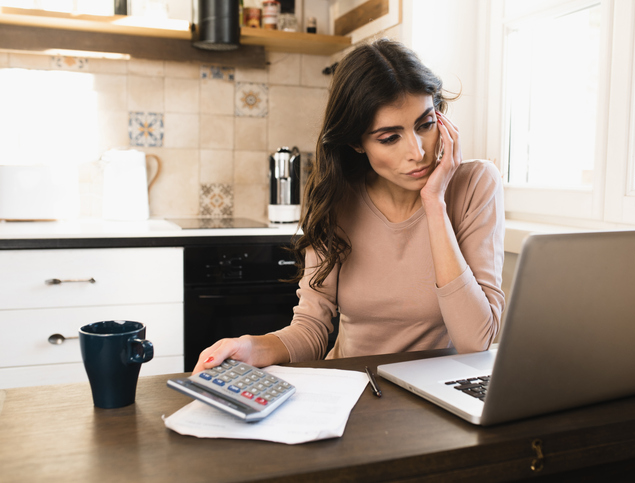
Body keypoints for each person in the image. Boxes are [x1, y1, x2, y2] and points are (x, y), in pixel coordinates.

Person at [193, 38, 505, 374]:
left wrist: (434, 203)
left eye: (425, 125)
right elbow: (311, 329)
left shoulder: (476, 184)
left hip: (432, 402)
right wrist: (252, 346)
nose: (417, 152)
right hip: (349, 392)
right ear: (357, 142)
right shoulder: (337, 200)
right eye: (389, 137)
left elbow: (476, 341)